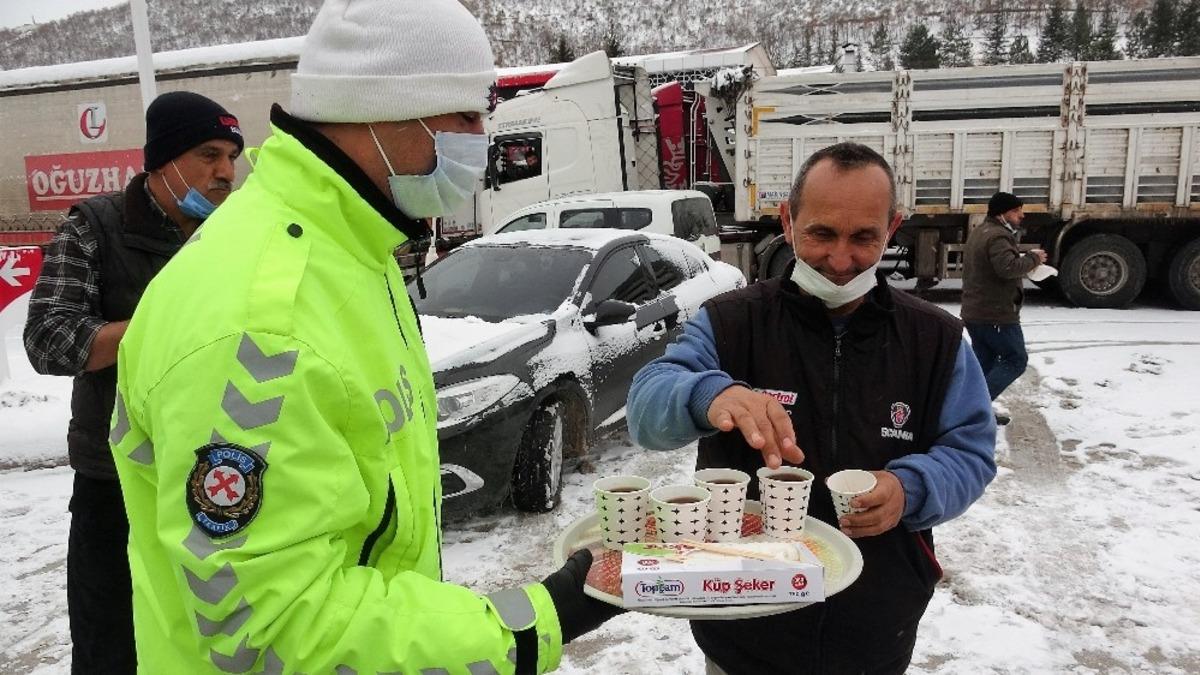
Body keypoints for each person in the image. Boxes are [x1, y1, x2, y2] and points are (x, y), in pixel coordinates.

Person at [107, 1, 617, 672]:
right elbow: (274, 626)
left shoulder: (353, 253)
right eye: (466, 116)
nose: (481, 138)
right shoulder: (262, 322)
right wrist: (537, 619)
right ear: (384, 109)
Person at [627, 142, 997, 674]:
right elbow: (646, 407)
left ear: (891, 229)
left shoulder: (934, 338)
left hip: (874, 630)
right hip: (742, 622)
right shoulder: (733, 322)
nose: (841, 259)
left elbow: (971, 453)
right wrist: (710, 395)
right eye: (822, 233)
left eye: (863, 237)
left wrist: (909, 488)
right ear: (788, 219)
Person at [23, 90, 243, 674]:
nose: (225, 172)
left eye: (232, 158)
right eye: (209, 154)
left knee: (210, 638)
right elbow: (48, 338)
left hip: (213, 469)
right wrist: (161, 326)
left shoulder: (236, 235)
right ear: (162, 161)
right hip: (115, 479)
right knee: (111, 645)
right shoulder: (94, 227)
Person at [961, 191, 1046, 419]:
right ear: (1002, 213)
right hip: (995, 315)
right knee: (1016, 359)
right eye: (1016, 211)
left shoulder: (982, 232)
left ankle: (967, 407)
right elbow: (1007, 268)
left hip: (977, 311)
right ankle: (973, 409)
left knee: (984, 363)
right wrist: (1033, 258)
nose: (1022, 215)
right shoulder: (998, 236)